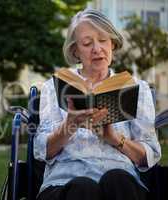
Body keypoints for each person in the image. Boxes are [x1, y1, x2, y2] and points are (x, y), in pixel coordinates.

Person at [34, 9, 161, 200]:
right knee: (83, 187)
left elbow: (149, 156)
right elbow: (42, 151)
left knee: (118, 179)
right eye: (87, 43)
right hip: (65, 182)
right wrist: (70, 126)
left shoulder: (137, 88)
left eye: (102, 40)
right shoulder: (54, 87)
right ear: (75, 50)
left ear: (112, 43)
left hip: (121, 180)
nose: (97, 48)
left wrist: (115, 138)